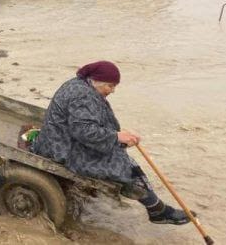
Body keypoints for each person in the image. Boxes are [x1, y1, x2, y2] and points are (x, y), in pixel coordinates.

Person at [32, 61, 192, 225]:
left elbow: (87, 124)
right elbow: (84, 131)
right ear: (97, 81)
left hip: (60, 140)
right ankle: (157, 210)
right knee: (122, 166)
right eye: (110, 86)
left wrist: (119, 136)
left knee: (120, 158)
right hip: (60, 149)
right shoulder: (82, 95)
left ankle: (155, 207)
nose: (113, 91)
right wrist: (117, 137)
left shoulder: (81, 85)